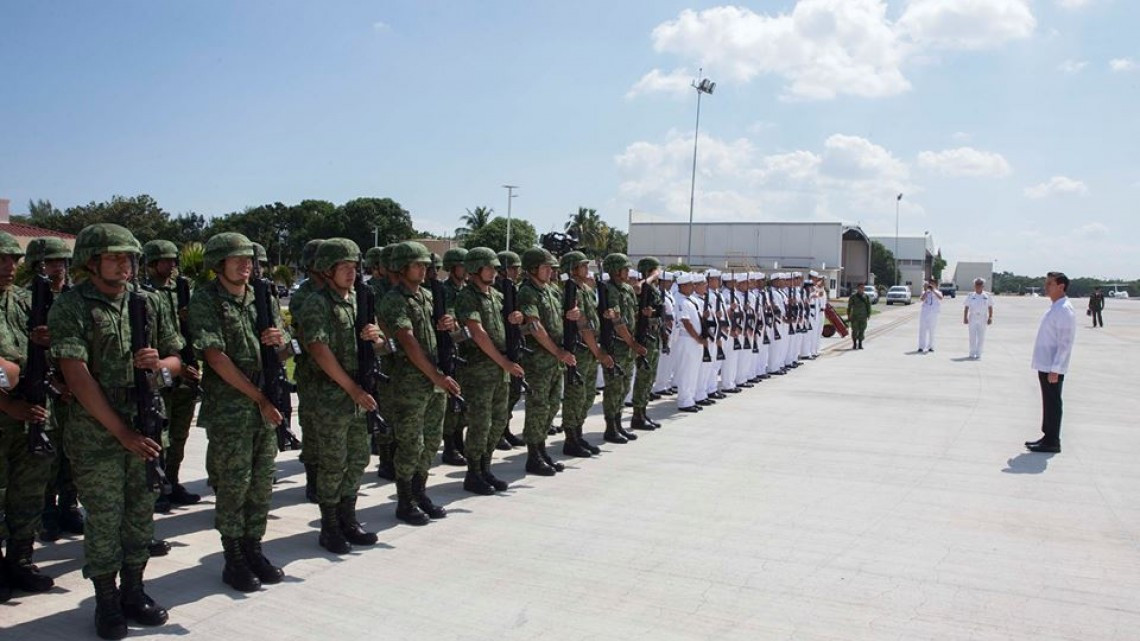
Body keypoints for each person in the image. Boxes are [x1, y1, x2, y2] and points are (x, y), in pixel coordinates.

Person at [49, 223, 183, 639]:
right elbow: (76, 374)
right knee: (106, 519)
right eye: (115, 256)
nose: (125, 264)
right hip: (97, 430)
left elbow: (177, 358)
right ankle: (106, 599)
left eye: (129, 257)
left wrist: (159, 366)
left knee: (141, 515)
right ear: (92, 261)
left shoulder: (148, 303)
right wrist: (120, 432)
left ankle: (134, 590)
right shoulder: (71, 306)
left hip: (144, 419)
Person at [188, 232, 290, 592]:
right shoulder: (206, 300)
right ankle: (233, 557)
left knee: (262, 481)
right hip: (232, 406)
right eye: (237, 258)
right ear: (218, 263)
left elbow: (287, 352)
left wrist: (280, 344)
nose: (246, 263)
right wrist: (258, 398)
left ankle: (253, 548)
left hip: (266, 397)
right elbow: (215, 357)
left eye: (249, 258)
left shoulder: (262, 296)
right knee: (234, 484)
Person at [296, 238, 380, 550]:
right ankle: (329, 525)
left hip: (358, 396)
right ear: (326, 270)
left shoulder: (360, 299)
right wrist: (352, 389)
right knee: (333, 462)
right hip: (331, 397)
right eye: (343, 266)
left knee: (358, 458)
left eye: (353, 266)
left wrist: (377, 338)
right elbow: (318, 349)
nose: (350, 272)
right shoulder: (317, 303)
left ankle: (348, 517)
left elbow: (378, 344)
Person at [377, 241, 461, 523]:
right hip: (410, 381)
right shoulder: (394, 299)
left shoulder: (428, 296)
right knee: (411, 442)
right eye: (417, 264)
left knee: (431, 440)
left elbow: (445, 335)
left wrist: (451, 326)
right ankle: (405, 500)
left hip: (434, 377)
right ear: (402, 268)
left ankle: (419, 491)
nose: (424, 269)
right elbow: (408, 342)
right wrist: (437, 376)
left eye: (426, 264)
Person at [0, 232, 54, 602]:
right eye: (1, 259)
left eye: (13, 260)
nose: (8, 267)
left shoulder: (27, 302)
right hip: (8, 411)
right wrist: (7, 405)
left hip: (31, 416)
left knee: (28, 494)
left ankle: (20, 561)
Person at [453, 248, 524, 495]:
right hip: (478, 370)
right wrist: (503, 362)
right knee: (480, 424)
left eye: (495, 268)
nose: (494, 272)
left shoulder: (496, 295)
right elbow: (477, 332)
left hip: (499, 368)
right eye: (489, 267)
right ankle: (473, 473)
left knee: (497, 421)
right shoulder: (467, 296)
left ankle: (485, 468)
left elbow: (505, 325)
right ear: (475, 269)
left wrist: (516, 319)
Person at [30, 237, 86, 544]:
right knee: (47, 455)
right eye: (52, 262)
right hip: (44, 388)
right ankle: (47, 511)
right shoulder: (30, 299)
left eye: (62, 262)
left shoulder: (75, 299)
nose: (58, 268)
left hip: (74, 389)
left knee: (72, 454)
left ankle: (69, 505)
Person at [141, 240, 202, 508]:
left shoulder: (182, 291)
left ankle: (172, 481)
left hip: (184, 371)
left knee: (179, 434)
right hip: (159, 373)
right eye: (166, 260)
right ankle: (157, 486)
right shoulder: (143, 294)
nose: (172, 265)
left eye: (173, 260)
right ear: (152, 263)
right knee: (158, 434)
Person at [517, 248, 576, 476]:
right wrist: (558, 352)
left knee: (552, 406)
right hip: (538, 361)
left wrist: (570, 316)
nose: (550, 271)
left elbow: (558, 317)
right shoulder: (527, 292)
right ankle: (533, 456)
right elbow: (535, 326)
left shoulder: (551, 290)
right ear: (532, 269)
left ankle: (541, 450)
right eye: (545, 267)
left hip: (553, 360)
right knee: (538, 407)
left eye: (551, 267)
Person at [559, 251, 605, 457]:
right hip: (581, 349)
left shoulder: (585, 289)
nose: (587, 269)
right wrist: (597, 350)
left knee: (586, 396)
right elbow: (582, 323)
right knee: (575, 396)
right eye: (583, 266)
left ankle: (578, 433)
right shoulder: (570, 291)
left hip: (589, 349)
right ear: (572, 269)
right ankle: (571, 439)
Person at [289, 239, 325, 501]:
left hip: (339, 375)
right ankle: (313, 480)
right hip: (313, 374)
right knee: (312, 428)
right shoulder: (304, 295)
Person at [1025, 272, 1076, 454]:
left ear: (1061, 286)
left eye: (1050, 284)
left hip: (1053, 366)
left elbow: (1065, 343)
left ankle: (1053, 441)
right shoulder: (1055, 307)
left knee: (1053, 403)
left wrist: (1056, 368)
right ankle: (1048, 436)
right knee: (1048, 402)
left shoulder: (1064, 310)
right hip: (1046, 363)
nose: (1046, 287)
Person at [601, 254, 645, 442]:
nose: (628, 272)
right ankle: (611, 427)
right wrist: (632, 343)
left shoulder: (627, 289)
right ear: (615, 271)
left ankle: (618, 424)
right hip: (617, 346)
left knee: (624, 386)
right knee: (614, 388)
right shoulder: (609, 290)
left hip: (627, 346)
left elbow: (631, 314)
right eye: (625, 269)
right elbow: (617, 322)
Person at [439, 248, 469, 467]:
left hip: (466, 352)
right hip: (451, 351)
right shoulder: (445, 291)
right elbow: (449, 319)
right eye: (462, 265)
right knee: (452, 403)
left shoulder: (466, 290)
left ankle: (459, 442)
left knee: (464, 402)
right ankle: (450, 446)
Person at [630, 257, 663, 430]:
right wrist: (651, 276)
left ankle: (642, 412)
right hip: (644, 336)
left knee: (650, 377)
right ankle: (637, 415)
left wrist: (655, 311)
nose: (659, 273)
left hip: (654, 335)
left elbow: (660, 309)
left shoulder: (653, 288)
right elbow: (638, 288)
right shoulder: (642, 285)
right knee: (643, 376)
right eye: (656, 270)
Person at [671, 273, 704, 413]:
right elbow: (686, 322)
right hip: (686, 339)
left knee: (693, 370)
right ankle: (684, 401)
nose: (693, 287)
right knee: (686, 371)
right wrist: (698, 338)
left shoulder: (690, 300)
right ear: (683, 286)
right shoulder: (680, 300)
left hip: (694, 340)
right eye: (691, 284)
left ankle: (690, 399)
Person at [962, 278, 994, 360]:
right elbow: (966, 307)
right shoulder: (970, 295)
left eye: (980, 285)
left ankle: (979, 353)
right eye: (977, 285)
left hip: (983, 317)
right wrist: (965, 317)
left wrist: (990, 317)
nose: (978, 286)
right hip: (973, 317)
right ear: (974, 286)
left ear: (983, 286)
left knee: (981, 336)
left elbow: (990, 307)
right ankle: (972, 353)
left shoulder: (987, 295)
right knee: (972, 336)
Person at [918, 278, 943, 353]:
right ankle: (921, 346)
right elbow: (922, 299)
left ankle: (931, 346)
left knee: (932, 330)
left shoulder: (938, 292)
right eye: (930, 283)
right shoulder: (925, 292)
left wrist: (933, 290)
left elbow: (941, 298)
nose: (931, 285)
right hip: (925, 313)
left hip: (934, 314)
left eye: (932, 283)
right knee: (922, 330)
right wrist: (926, 291)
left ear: (935, 284)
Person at [847, 282, 872, 350]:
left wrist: (869, 314)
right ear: (857, 288)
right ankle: (854, 344)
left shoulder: (866, 296)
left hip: (863, 317)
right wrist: (849, 315)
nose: (861, 289)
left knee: (862, 330)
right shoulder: (853, 296)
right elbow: (849, 306)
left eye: (863, 288)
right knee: (855, 330)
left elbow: (868, 306)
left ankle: (860, 344)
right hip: (855, 316)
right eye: (860, 287)